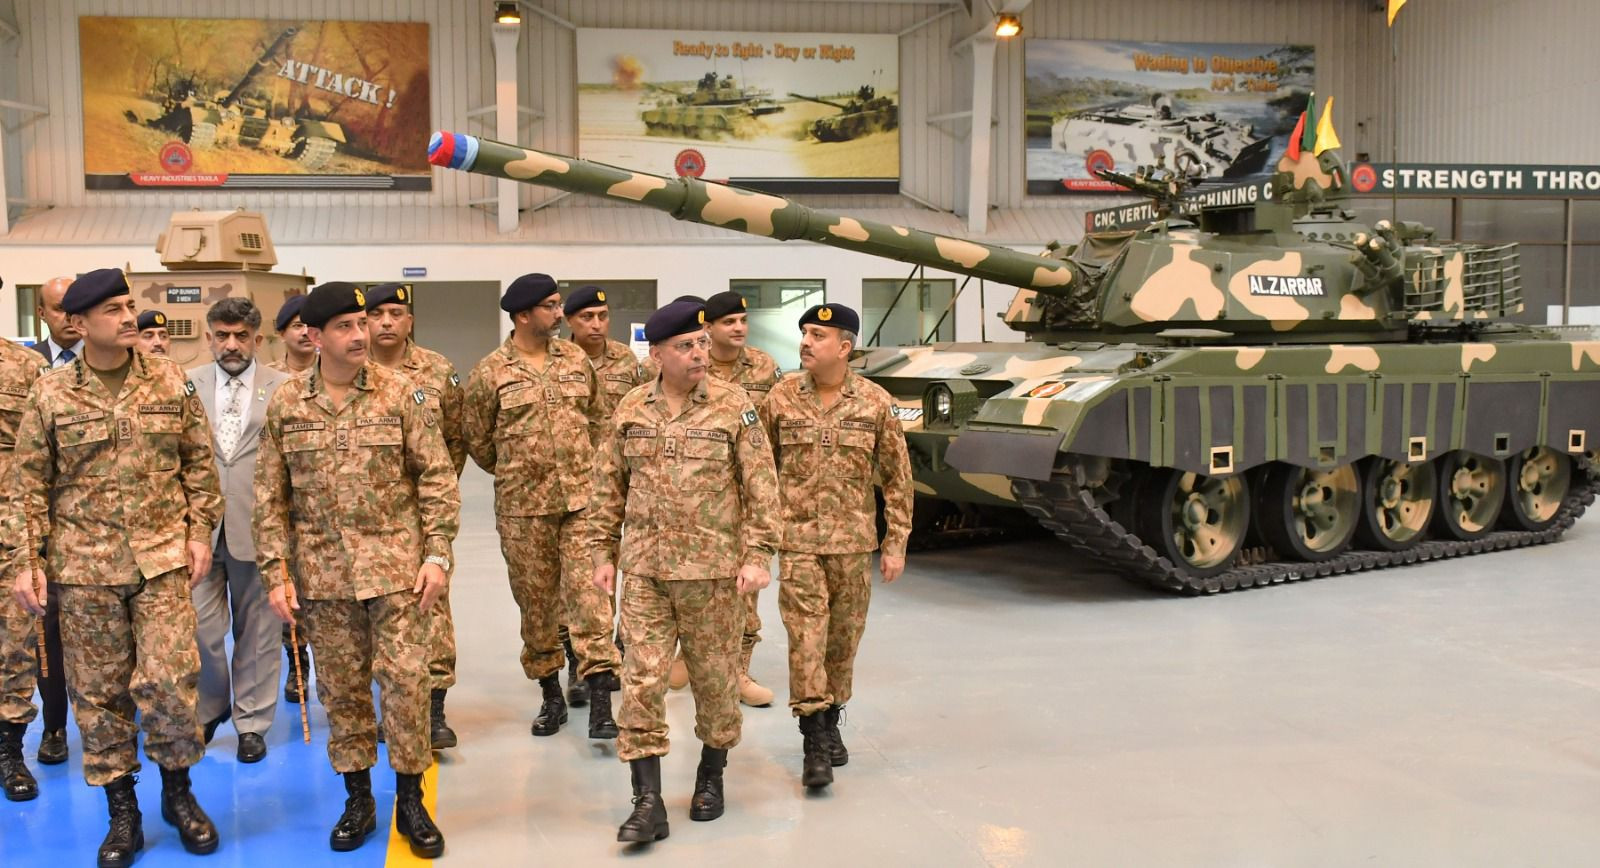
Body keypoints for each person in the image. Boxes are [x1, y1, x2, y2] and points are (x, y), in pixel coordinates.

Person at [12, 268, 225, 866]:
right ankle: (122, 810)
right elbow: (28, 487)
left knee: (172, 682)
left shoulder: (168, 381)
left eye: (130, 305)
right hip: (84, 570)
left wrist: (199, 532)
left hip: (161, 563)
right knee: (99, 697)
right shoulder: (51, 395)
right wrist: (27, 563)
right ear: (78, 325)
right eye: (113, 309)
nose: (129, 317)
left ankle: (178, 793)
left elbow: (197, 466)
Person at [253, 282, 459, 858]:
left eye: (362, 323)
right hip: (323, 579)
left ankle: (411, 798)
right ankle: (358, 798)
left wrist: (438, 555)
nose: (360, 334)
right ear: (315, 337)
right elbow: (270, 497)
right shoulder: (288, 403)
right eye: (344, 326)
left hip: (399, 573)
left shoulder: (402, 394)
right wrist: (277, 571)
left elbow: (437, 480)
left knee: (406, 684)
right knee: (341, 691)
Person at [585, 300, 780, 842]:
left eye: (700, 343)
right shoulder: (630, 409)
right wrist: (603, 555)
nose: (699, 353)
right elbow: (607, 488)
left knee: (716, 684)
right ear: (658, 354)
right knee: (641, 681)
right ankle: (647, 801)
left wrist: (758, 556)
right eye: (685, 346)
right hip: (645, 572)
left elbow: (762, 486)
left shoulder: (733, 405)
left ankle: (710, 776)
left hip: (714, 575)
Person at [760, 304, 912, 790]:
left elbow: (898, 478)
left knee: (843, 642)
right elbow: (760, 471)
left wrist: (896, 543)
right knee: (806, 638)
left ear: (844, 348)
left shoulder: (874, 402)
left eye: (818, 335)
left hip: (852, 543)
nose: (806, 341)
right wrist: (757, 541)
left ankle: (831, 713)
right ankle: (813, 739)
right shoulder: (780, 398)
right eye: (804, 332)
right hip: (798, 541)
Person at [463, 274, 618, 741]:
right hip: (522, 510)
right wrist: (520, 470)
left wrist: (583, 468)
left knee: (591, 598)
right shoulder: (489, 372)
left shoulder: (574, 359)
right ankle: (551, 694)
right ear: (524, 314)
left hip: (580, 503)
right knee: (537, 605)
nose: (559, 313)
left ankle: (600, 700)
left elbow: (596, 417)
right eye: (551, 306)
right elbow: (478, 439)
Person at [188, 298, 291, 764]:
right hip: (198, 533)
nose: (231, 345)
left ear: (258, 339)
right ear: (209, 337)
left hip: (261, 529)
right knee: (201, 630)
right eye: (222, 336)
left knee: (259, 632)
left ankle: (252, 722)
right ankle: (211, 707)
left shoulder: (284, 389)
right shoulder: (185, 386)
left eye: (241, 336)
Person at [365, 283, 466, 749]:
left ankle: (435, 709)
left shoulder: (437, 370)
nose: (386, 322)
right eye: (378, 313)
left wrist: (435, 495)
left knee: (432, 607)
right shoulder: (349, 371)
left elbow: (458, 437)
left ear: (410, 321)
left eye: (396, 313)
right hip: (362, 519)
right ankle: (386, 705)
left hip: (421, 513)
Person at [692, 290, 782, 707]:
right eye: (729, 322)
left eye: (743, 320)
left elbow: (778, 426)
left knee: (746, 591)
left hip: (746, 499)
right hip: (695, 498)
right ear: (707, 328)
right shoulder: (692, 362)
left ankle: (739, 673)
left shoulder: (764, 366)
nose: (739, 328)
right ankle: (689, 659)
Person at [559, 284, 645, 704]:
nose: (596, 325)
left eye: (602, 316)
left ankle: (619, 650)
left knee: (629, 568)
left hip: (625, 481)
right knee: (579, 584)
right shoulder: (560, 362)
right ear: (569, 322)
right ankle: (582, 663)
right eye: (586, 318)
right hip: (574, 487)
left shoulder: (627, 361)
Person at [0, 286, 51, 800]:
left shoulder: (27, 369)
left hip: (11, 533)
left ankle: (9, 750)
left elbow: (41, 460)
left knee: (14, 647)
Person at [26, 275, 78, 767]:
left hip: (109, 527)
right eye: (58, 309)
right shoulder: (29, 370)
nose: (68, 317)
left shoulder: (120, 365)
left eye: (74, 308)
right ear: (43, 314)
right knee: (51, 633)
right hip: (51, 528)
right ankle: (56, 727)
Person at [264, 293, 314, 703]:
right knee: (288, 589)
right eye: (294, 325)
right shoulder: (268, 382)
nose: (303, 332)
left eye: (308, 325)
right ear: (281, 333)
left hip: (323, 506)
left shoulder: (333, 372)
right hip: (284, 506)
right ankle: (297, 665)